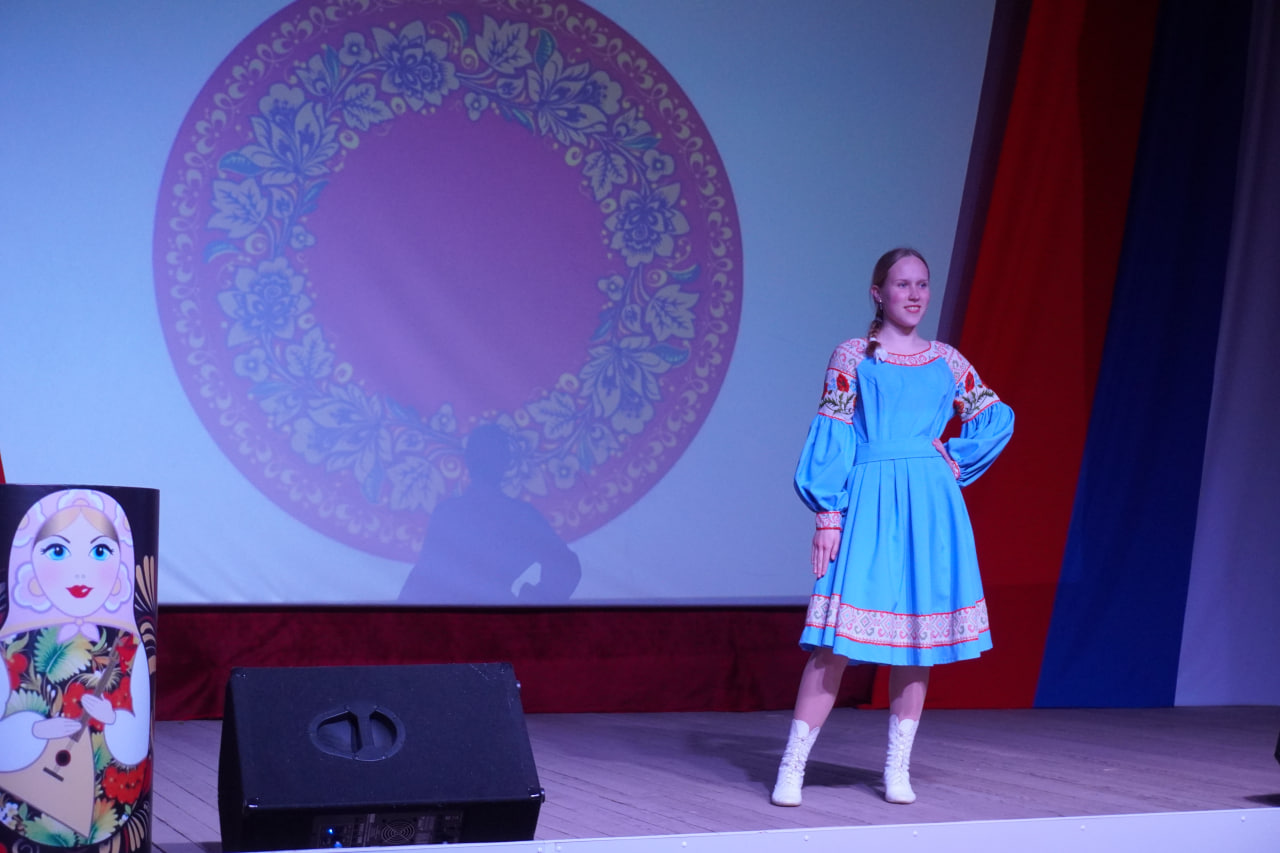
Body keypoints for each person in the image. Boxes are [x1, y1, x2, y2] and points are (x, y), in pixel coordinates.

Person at [771, 247, 1013, 807]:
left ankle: (896, 768)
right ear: (878, 293)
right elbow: (833, 434)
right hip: (870, 498)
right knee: (834, 641)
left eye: (922, 284)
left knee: (917, 643)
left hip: (929, 503)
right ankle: (793, 765)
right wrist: (828, 515)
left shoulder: (948, 360)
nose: (915, 294)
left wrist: (953, 457)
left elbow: (997, 417)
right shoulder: (854, 355)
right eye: (903, 284)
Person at [0, 489, 151, 843]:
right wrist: (37, 731)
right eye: (57, 550)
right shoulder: (11, 644)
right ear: (29, 562)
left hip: (105, 802)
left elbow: (137, 740)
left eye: (100, 552)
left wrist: (112, 719)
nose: (81, 572)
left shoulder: (129, 645)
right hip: (25, 794)